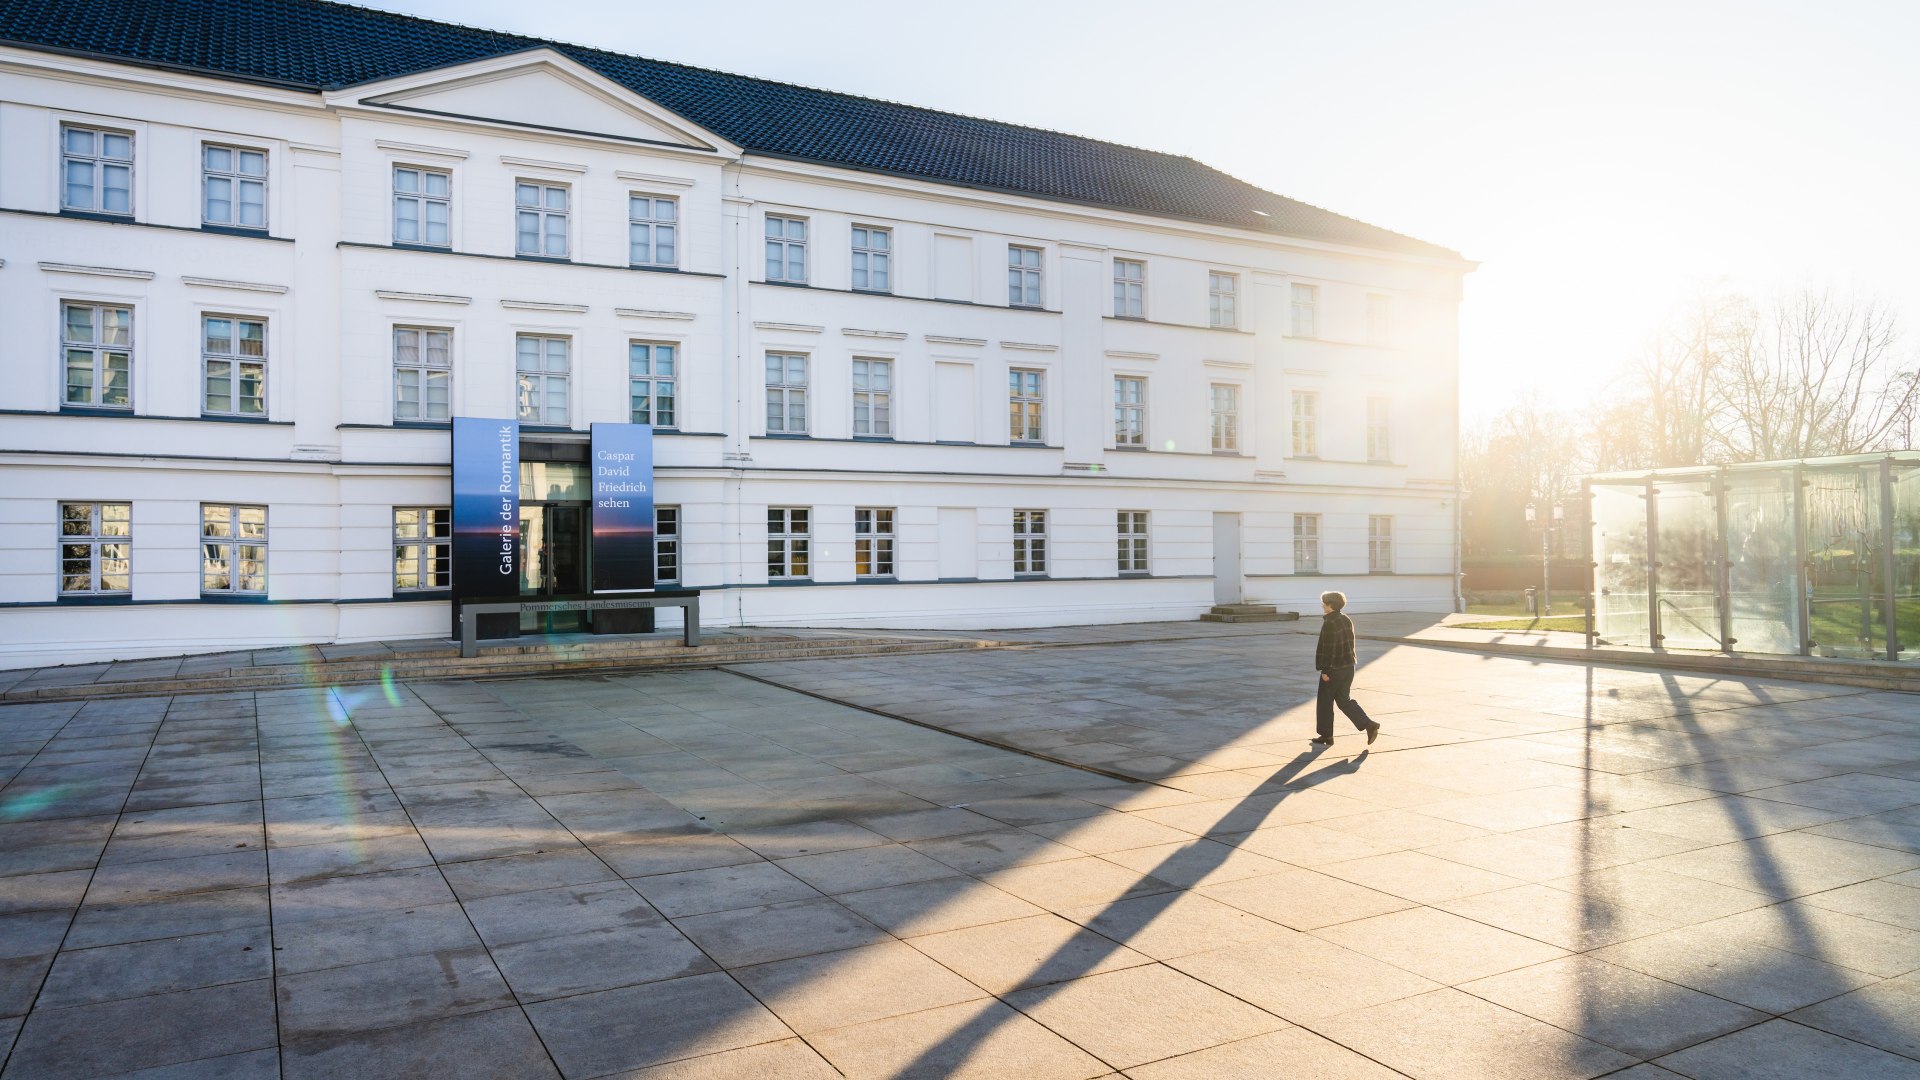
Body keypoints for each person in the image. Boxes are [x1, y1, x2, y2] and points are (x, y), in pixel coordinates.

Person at [1312, 590, 1379, 746]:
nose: (1322, 605)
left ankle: (1326, 736)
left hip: (1334, 669)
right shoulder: (1345, 619)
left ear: (1330, 605)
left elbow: (1330, 648)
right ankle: (1369, 725)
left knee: (1324, 702)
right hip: (1348, 667)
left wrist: (1326, 670)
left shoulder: (1330, 622)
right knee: (1343, 700)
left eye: (1324, 602)